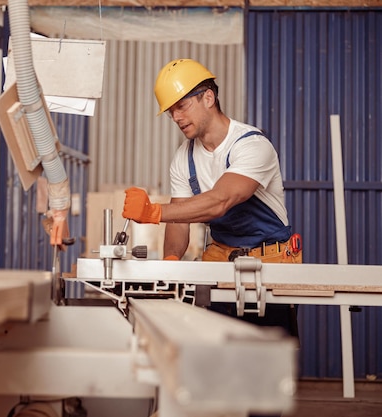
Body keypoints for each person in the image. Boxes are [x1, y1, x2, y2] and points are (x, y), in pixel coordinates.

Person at [122, 57, 302, 417]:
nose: (176, 117)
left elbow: (219, 201)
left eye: (182, 105)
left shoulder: (252, 145)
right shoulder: (182, 158)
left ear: (208, 98)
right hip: (220, 261)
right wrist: (170, 269)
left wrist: (152, 212)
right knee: (216, 358)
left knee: (265, 373)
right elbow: (180, 223)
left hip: (270, 262)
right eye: (171, 111)